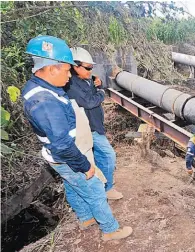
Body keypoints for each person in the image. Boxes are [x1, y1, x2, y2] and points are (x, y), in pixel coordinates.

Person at [22, 35, 132, 241]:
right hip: (65, 155)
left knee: (72, 184)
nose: (69, 75)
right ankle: (110, 230)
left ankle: (86, 217)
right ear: (52, 68)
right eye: (66, 70)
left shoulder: (43, 88)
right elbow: (62, 145)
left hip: (58, 155)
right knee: (95, 187)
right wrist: (84, 165)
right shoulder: (44, 101)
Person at [64, 47, 122, 200]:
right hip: (87, 129)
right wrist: (102, 93)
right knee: (109, 155)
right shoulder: (70, 85)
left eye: (91, 68)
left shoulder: (86, 79)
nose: (90, 71)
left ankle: (102, 186)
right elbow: (89, 102)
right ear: (75, 66)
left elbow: (93, 91)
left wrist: (98, 84)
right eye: (87, 67)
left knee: (98, 157)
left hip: (95, 125)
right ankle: (107, 188)